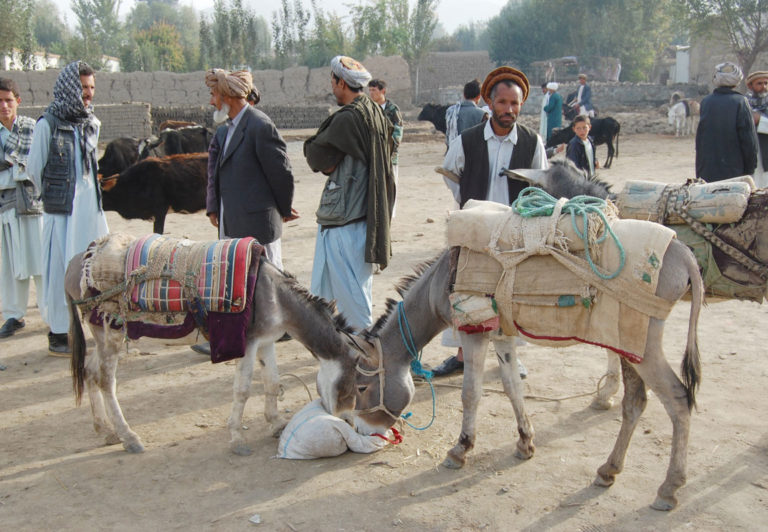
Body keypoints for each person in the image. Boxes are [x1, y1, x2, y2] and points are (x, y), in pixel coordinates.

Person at [433, 66, 549, 377]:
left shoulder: (531, 142)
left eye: (515, 104)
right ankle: (461, 355)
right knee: (466, 289)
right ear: (490, 102)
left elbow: (540, 184)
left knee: (509, 292)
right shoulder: (468, 141)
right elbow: (450, 173)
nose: (508, 110)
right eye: (502, 103)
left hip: (514, 232)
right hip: (474, 230)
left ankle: (509, 356)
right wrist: (469, 204)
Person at [303, 55, 395, 330]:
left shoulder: (347, 118)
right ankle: (345, 352)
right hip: (366, 215)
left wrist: (332, 162)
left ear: (341, 82)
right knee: (352, 290)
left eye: (333, 81)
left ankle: (364, 356)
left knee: (352, 300)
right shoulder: (377, 112)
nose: (332, 87)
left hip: (345, 219)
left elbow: (316, 156)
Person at [28, 61, 108, 355]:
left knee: (91, 267)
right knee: (60, 269)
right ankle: (59, 331)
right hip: (61, 213)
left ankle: (91, 324)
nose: (88, 94)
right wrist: (56, 197)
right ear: (69, 88)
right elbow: (34, 171)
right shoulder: (46, 124)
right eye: (83, 87)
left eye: (91, 88)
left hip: (90, 212)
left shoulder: (92, 123)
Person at [204, 68, 296, 267]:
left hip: (259, 228)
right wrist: (213, 208)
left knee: (267, 288)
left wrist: (284, 209)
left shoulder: (260, 125)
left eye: (214, 95)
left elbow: (281, 174)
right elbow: (216, 174)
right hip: (232, 224)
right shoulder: (226, 130)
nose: (212, 102)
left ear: (227, 96)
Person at [0, 78, 44, 340]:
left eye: (8, 100)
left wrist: (12, 170)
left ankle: (51, 316)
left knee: (40, 264)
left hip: (33, 206)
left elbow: (31, 168)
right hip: (5, 209)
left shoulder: (32, 128)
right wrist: (16, 171)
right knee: (9, 265)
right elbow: (20, 170)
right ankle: (13, 315)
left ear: (18, 101)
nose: (4, 106)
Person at [695, 62, 757, 183]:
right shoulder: (741, 102)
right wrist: (750, 169)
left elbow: (700, 139)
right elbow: (748, 140)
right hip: (734, 172)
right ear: (737, 81)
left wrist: (700, 169)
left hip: (707, 171)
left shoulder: (706, 102)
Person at [368, 79, 403, 218]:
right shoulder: (369, 109)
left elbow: (397, 132)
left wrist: (387, 150)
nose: (371, 93)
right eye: (370, 90)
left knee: (390, 187)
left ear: (383, 91)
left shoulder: (392, 109)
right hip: (371, 156)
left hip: (390, 157)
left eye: (374, 90)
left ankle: (388, 217)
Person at [445, 79, 488, 145]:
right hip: (474, 153)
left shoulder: (451, 112)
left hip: (454, 152)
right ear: (479, 96)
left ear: (464, 95)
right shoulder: (482, 114)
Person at [746, 70, 768, 188]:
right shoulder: (744, 103)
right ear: (750, 86)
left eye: (766, 83)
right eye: (759, 83)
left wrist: (760, 120)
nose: (763, 87)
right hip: (751, 154)